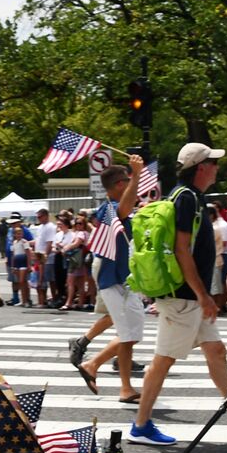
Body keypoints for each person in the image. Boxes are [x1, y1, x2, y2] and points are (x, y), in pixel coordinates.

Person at [129, 143, 227, 446]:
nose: (217, 167)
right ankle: (141, 425)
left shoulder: (192, 197)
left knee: (216, 352)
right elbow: (181, 250)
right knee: (162, 361)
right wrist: (203, 295)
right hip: (184, 297)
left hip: (190, 296)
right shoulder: (186, 198)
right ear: (201, 167)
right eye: (213, 162)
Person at [70, 156, 146, 401]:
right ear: (120, 185)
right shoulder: (109, 208)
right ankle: (111, 378)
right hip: (112, 279)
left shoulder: (115, 207)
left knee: (130, 334)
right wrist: (136, 174)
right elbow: (124, 209)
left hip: (123, 278)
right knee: (127, 334)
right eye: (127, 180)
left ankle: (96, 367)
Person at [31, 208, 56, 307]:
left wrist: (45, 256)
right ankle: (43, 300)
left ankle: (54, 298)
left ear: (46, 216)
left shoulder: (50, 227)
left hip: (47, 258)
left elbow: (49, 243)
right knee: (41, 278)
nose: (38, 218)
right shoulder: (40, 227)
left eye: (40, 216)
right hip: (39, 257)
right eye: (37, 217)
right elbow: (38, 241)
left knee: (50, 279)